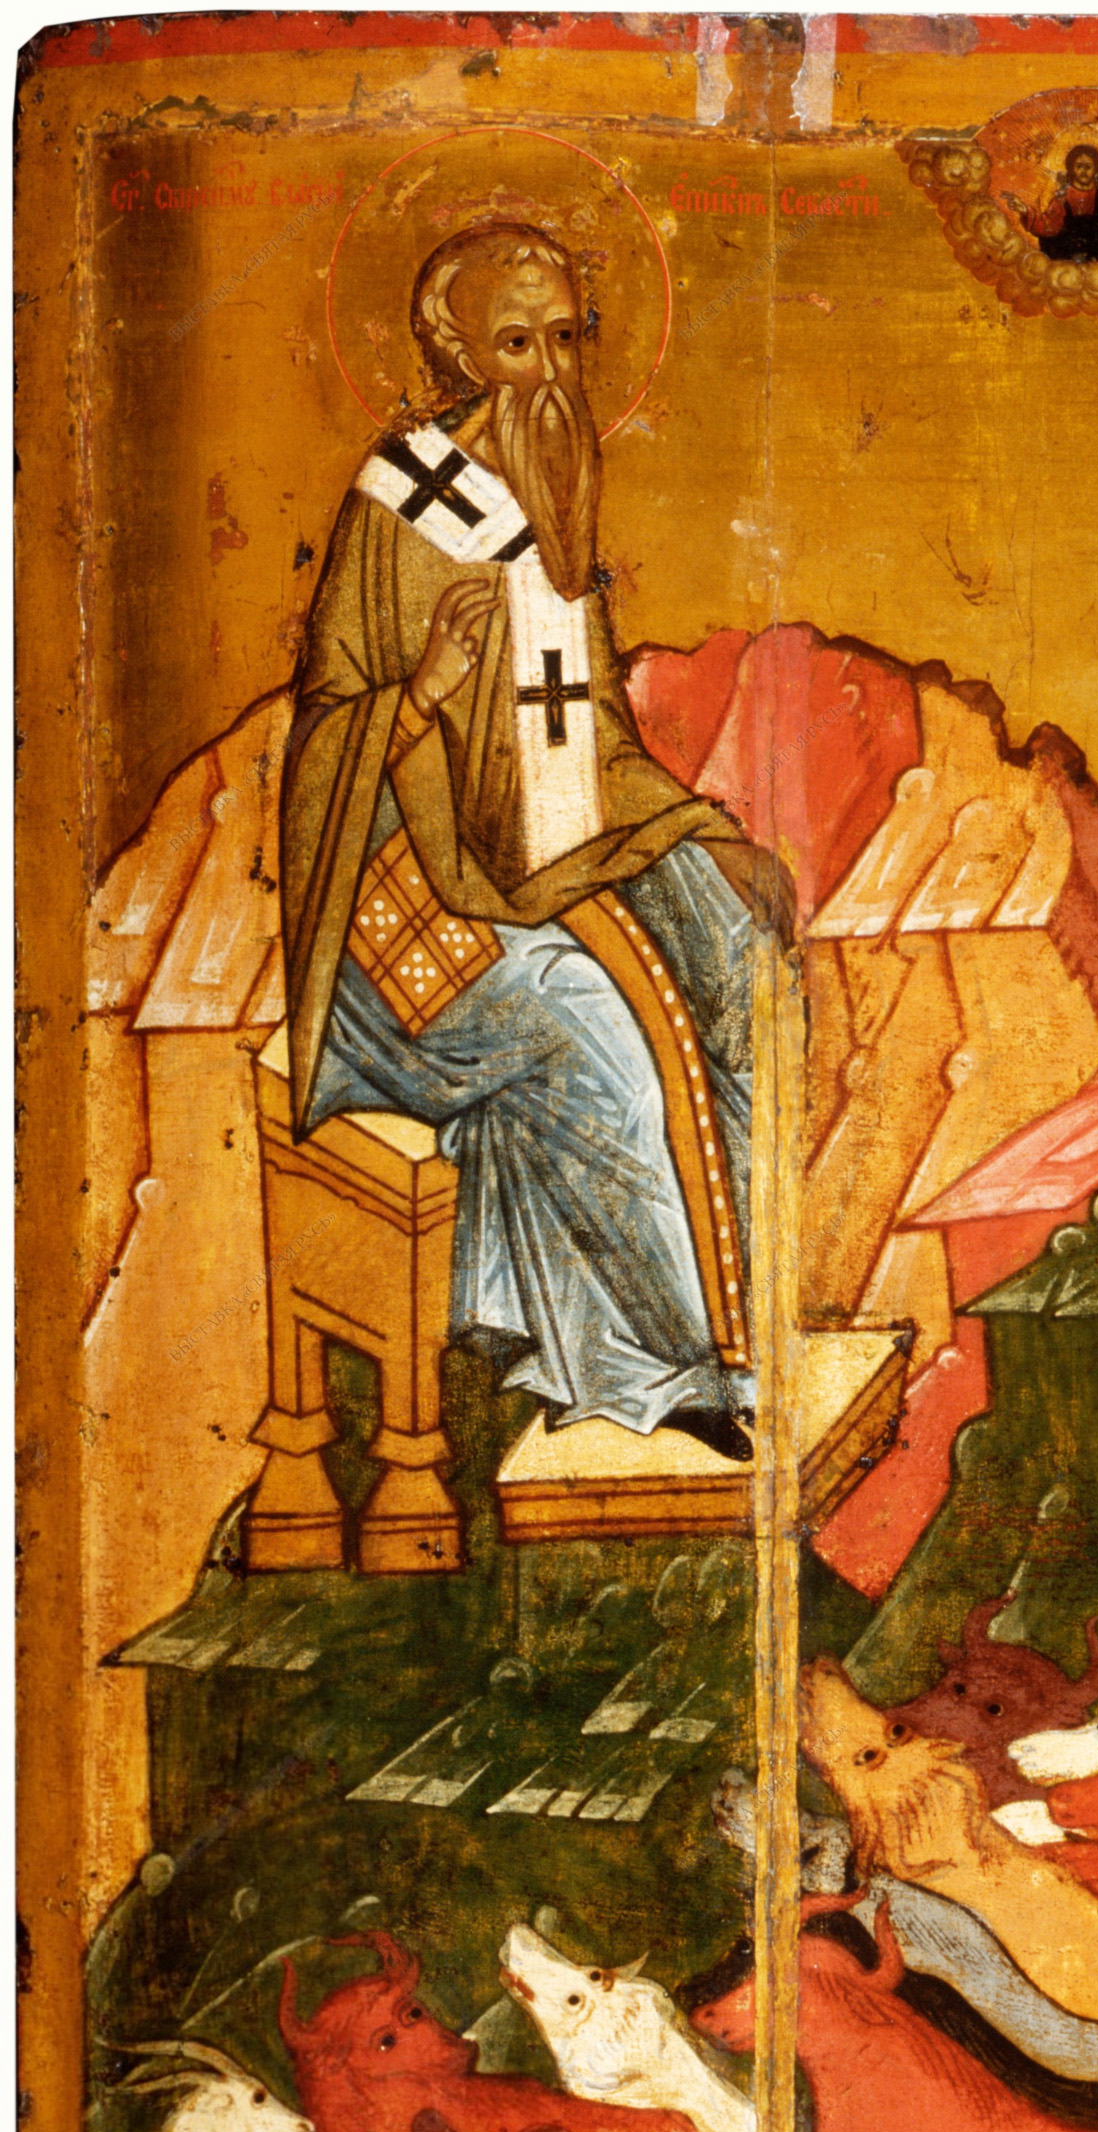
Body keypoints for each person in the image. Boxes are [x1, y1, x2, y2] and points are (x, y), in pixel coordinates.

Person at [280, 218, 794, 1461]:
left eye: (567, 339)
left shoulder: (554, 497)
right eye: (518, 345)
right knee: (599, 1040)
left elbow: (590, 736)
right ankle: (660, 1371)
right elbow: (328, 733)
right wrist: (421, 694)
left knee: (739, 958)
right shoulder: (400, 503)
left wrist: (702, 837)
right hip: (400, 893)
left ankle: (750, 1324)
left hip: (540, 854)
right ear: (459, 355)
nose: (551, 374)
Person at [1002, 145, 1098, 264]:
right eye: (1079, 166)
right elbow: (1048, 225)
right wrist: (1025, 210)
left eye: (1088, 167)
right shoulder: (1063, 198)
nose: (1083, 171)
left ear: (1096, 170)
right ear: (1071, 169)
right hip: (1069, 252)